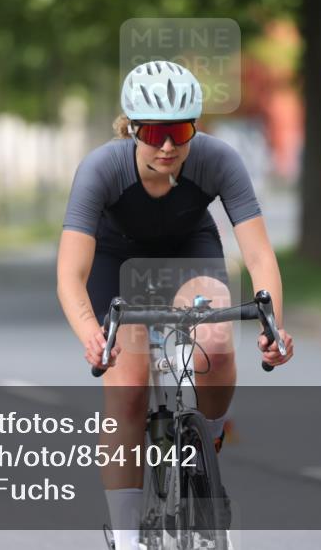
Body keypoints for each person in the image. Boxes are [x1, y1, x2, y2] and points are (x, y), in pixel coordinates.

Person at [56, 60, 294, 550]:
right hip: (116, 260)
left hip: (189, 252)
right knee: (126, 389)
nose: (168, 146)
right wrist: (91, 335)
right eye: (155, 132)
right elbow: (70, 274)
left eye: (180, 131)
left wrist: (273, 326)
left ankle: (206, 437)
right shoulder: (102, 168)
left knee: (215, 340)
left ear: (195, 127)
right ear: (131, 128)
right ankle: (125, 539)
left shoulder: (219, 159)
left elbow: (258, 253)